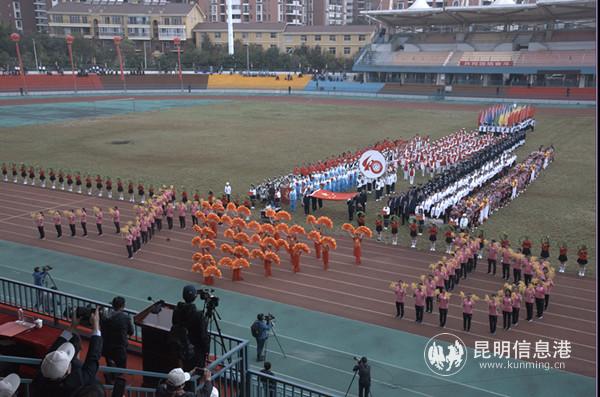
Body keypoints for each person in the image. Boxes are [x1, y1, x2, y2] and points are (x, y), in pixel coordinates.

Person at [31, 308, 103, 397]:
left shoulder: (40, 379)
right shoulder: (77, 380)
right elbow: (93, 358)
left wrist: (72, 327)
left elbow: (53, 353)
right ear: (67, 372)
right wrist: (96, 325)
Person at [100, 297, 134, 383]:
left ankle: (111, 376)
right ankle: (115, 381)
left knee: (110, 363)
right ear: (123, 306)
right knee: (121, 368)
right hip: (120, 347)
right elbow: (131, 332)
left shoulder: (105, 317)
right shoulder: (125, 318)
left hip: (107, 346)